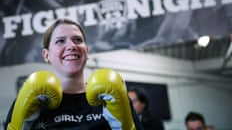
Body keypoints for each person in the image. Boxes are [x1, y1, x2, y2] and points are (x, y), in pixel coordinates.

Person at [4, 18, 143, 130]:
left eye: (77, 40)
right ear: (46, 55)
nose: (71, 46)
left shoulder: (111, 96)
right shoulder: (31, 99)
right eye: (60, 41)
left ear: (86, 51)